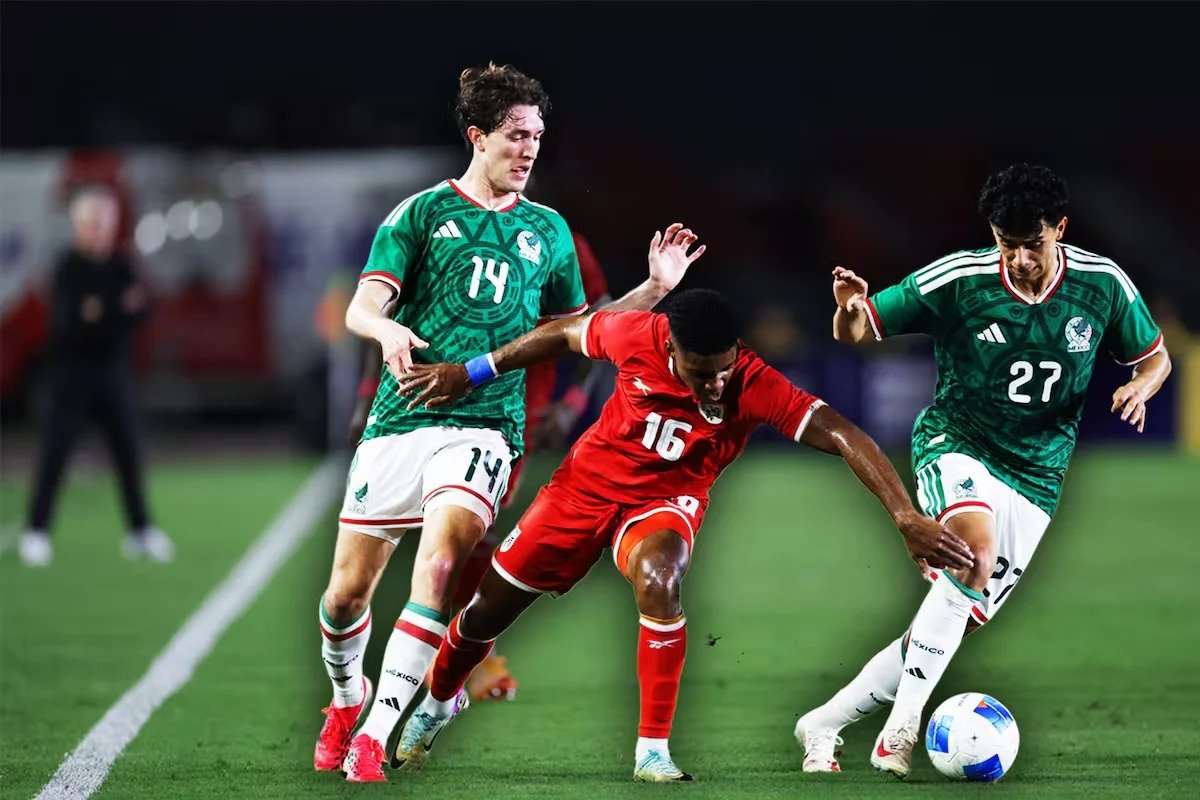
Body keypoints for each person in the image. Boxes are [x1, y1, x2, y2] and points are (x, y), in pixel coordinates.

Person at [391, 288, 975, 782]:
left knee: (660, 579)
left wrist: (904, 515)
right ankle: (439, 702)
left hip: (665, 502)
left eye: (724, 369)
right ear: (671, 347)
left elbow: (843, 432)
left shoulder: (753, 381)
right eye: (702, 373)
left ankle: (653, 751)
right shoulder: (634, 335)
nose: (717, 384)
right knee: (485, 613)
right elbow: (566, 332)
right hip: (580, 491)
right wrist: (473, 372)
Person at [316, 61, 708, 783]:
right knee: (344, 599)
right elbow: (362, 307)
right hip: (403, 418)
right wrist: (387, 330)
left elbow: (578, 330)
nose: (529, 150)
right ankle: (347, 701)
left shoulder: (548, 231)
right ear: (477, 136)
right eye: (515, 135)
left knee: (441, 564)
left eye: (536, 137)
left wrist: (655, 288)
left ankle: (374, 737)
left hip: (488, 427)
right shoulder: (420, 214)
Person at [793, 163, 1172, 777]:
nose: (1019, 259)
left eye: (1033, 244)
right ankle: (899, 733)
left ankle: (823, 723)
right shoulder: (958, 279)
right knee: (974, 554)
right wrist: (848, 309)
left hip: (1039, 475)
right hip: (959, 442)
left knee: (952, 617)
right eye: (1006, 244)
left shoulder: (1102, 284)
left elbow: (1154, 358)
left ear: (1060, 229)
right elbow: (857, 331)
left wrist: (1141, 386)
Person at [344, 228, 612, 703]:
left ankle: (462, 659)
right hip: (415, 401)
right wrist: (368, 395)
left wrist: (572, 400)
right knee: (381, 552)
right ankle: (384, 670)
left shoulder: (559, 238)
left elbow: (599, 321)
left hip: (508, 411)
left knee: (471, 532)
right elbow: (385, 311)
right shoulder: (434, 223)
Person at [20, 186, 174, 567]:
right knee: (56, 454)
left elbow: (141, 311)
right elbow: (72, 321)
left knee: (128, 454)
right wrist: (115, 310)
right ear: (78, 226)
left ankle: (141, 531)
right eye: (92, 223)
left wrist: (102, 312)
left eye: (105, 222)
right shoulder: (67, 267)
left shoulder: (121, 264)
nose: (100, 230)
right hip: (72, 376)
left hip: (113, 375)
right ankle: (36, 532)